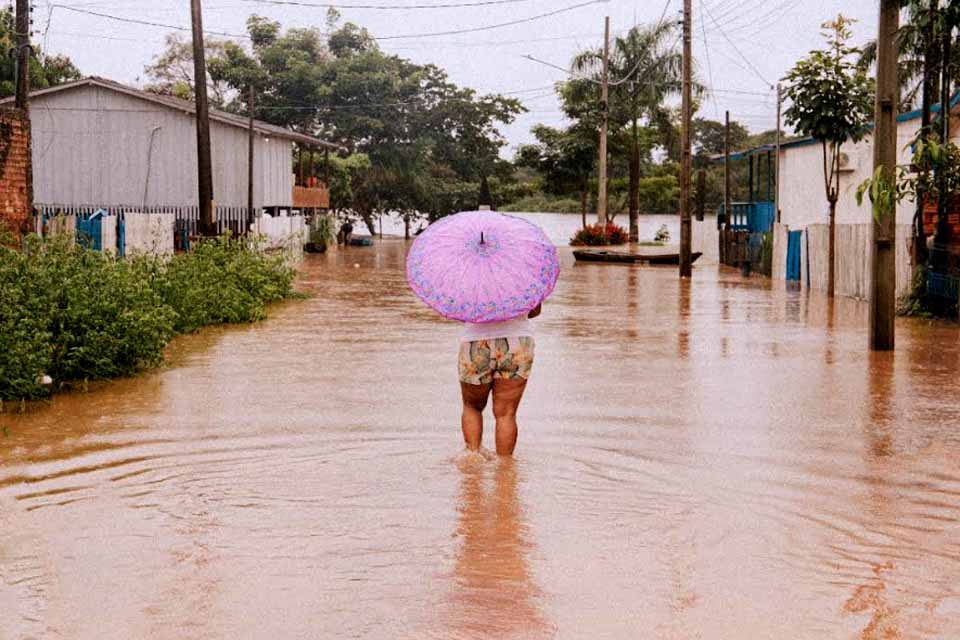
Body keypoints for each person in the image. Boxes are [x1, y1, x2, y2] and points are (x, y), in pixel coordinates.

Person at [458, 303, 541, 456]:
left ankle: (472, 458)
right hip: (517, 340)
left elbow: (459, 311)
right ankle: (505, 466)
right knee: (506, 413)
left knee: (472, 407)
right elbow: (534, 311)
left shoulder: (467, 285)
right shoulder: (525, 285)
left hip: (476, 339)